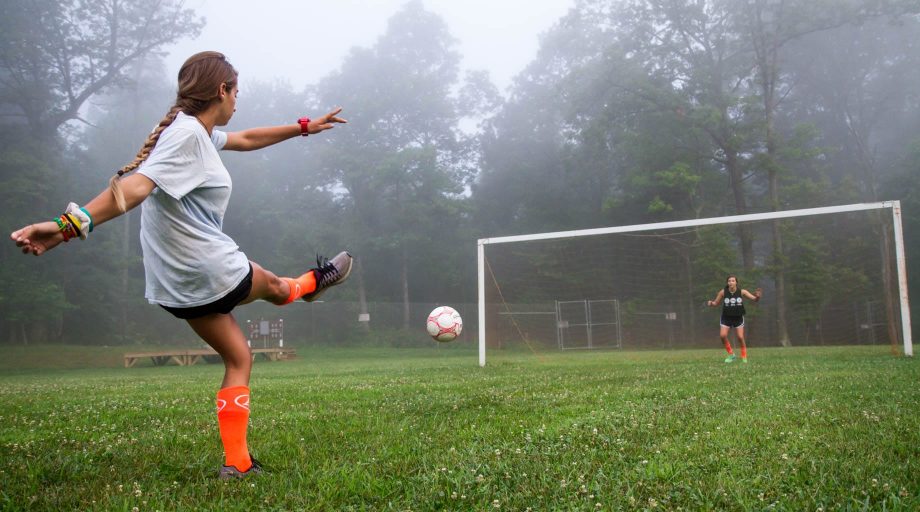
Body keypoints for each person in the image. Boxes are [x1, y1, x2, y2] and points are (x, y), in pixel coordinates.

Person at [9, 51, 353, 480]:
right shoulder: (187, 135)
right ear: (221, 90)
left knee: (239, 358)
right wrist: (66, 225)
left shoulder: (195, 133)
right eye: (236, 92)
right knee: (280, 290)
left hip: (175, 286)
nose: (237, 102)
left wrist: (303, 127)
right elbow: (135, 188)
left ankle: (237, 464)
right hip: (208, 268)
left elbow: (245, 139)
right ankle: (314, 282)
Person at [706, 274, 762, 363]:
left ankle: (744, 357)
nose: (731, 282)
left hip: (738, 317)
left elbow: (754, 299)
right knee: (722, 336)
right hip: (726, 317)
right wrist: (711, 303)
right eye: (729, 281)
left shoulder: (742, 292)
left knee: (740, 337)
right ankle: (731, 355)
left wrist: (758, 296)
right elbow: (716, 303)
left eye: (733, 281)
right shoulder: (723, 292)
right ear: (727, 283)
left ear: (736, 282)